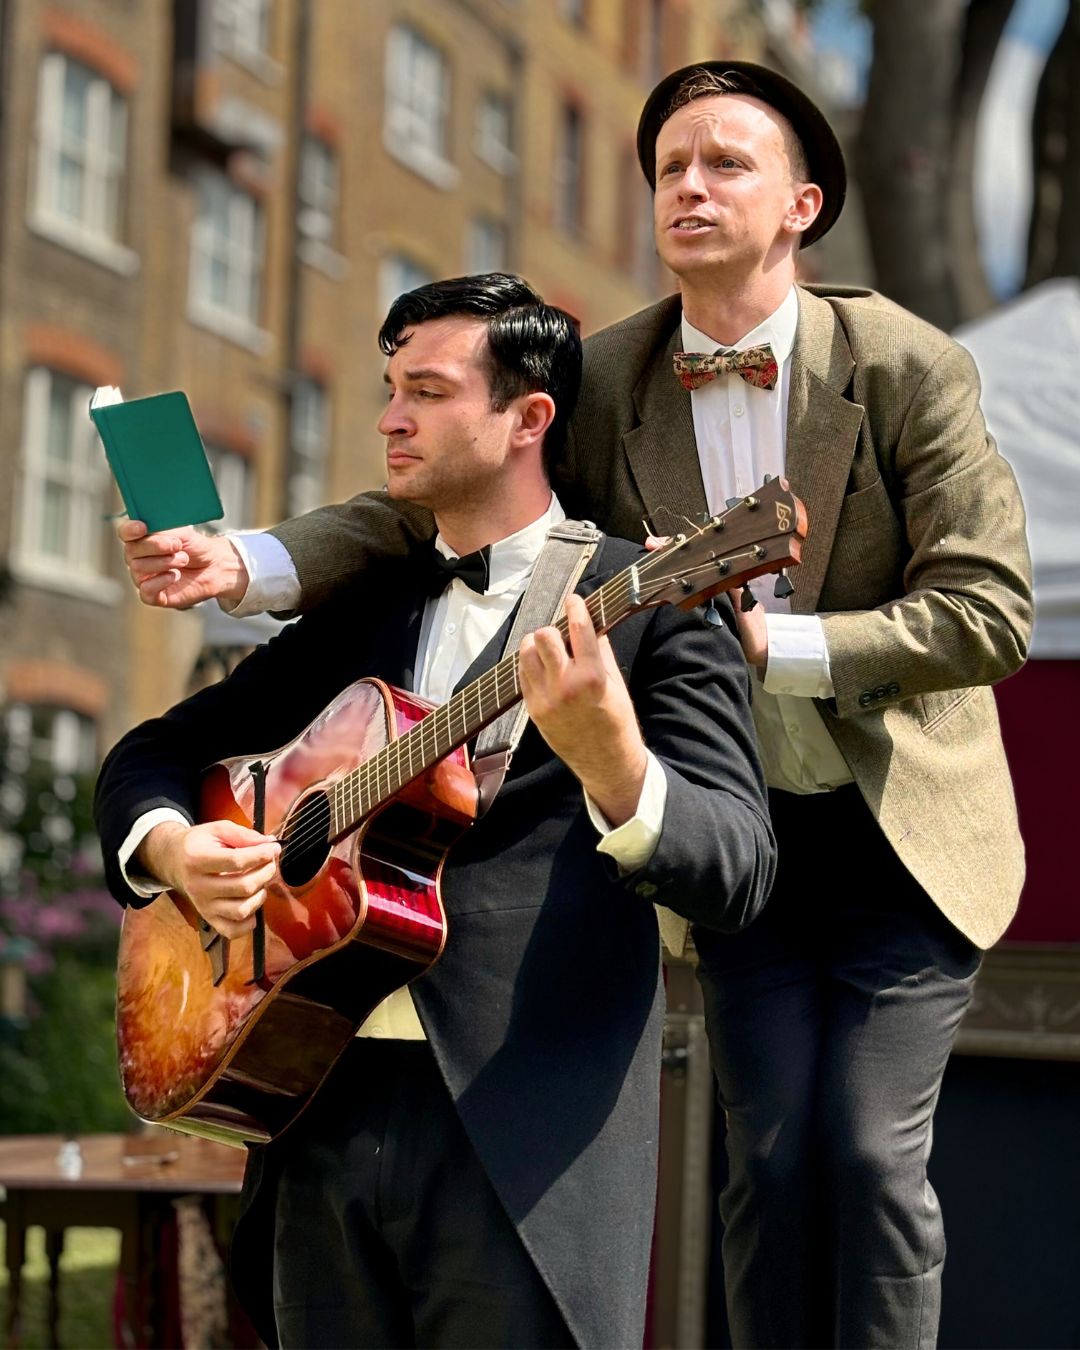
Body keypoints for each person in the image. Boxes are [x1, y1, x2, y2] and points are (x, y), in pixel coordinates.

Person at [116, 64, 1033, 1349]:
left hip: (893, 822)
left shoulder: (905, 366)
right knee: (770, 1162)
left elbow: (992, 613)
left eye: (725, 164)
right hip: (724, 820)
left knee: (870, 1156)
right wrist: (249, 562)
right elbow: (434, 491)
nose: (688, 188)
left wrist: (768, 647)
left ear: (804, 206)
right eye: (668, 168)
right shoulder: (602, 374)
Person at [97, 274, 776, 1350]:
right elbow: (153, 755)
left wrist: (616, 767)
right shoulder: (364, 604)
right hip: (312, 1106)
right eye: (389, 389)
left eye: (427, 391)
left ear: (528, 418)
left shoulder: (655, 603)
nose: (389, 419)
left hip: (523, 1140)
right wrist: (177, 850)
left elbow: (739, 866)